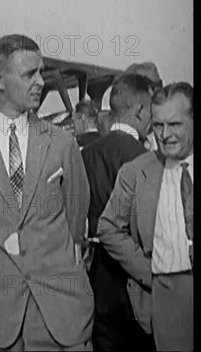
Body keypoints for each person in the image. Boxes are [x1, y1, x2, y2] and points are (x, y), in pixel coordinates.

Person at [0, 34, 93, 351]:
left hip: (60, 318)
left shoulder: (61, 142)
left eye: (41, 72)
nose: (40, 82)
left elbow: (77, 216)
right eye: (30, 74)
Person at [97, 82, 194, 351]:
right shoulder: (136, 172)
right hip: (164, 298)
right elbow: (108, 227)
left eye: (175, 124)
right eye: (158, 125)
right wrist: (149, 272)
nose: (165, 135)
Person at [81, 74, 155, 351]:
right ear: (139, 110)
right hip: (135, 275)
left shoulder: (86, 153)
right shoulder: (144, 159)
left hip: (96, 273)